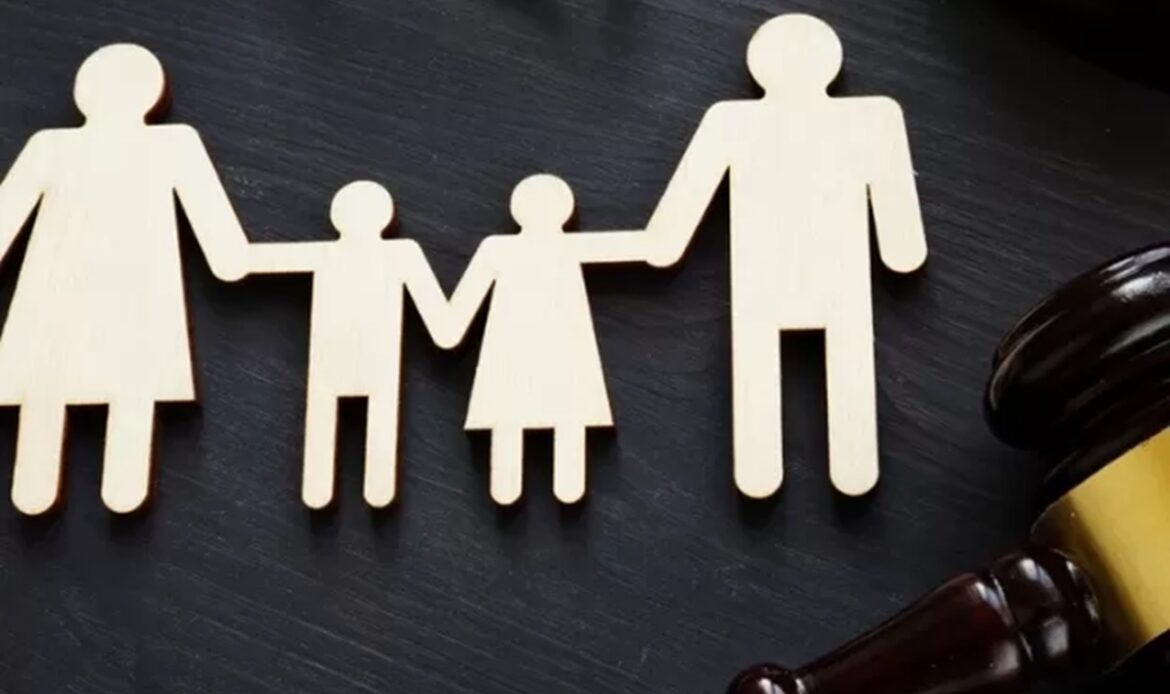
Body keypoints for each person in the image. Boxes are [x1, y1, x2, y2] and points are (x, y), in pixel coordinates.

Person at [644, 14, 927, 498]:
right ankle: (850, 470)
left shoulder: (730, 122)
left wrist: (622, 248)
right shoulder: (872, 118)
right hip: (839, 276)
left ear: (759, 66)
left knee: (757, 372)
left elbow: (670, 234)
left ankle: (763, 475)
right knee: (847, 364)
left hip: (761, 279)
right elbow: (903, 247)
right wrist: (898, 250)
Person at [0, 44, 251, 514]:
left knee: (45, 392)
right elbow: (227, 256)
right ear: (150, 93)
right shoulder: (173, 145)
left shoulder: (50, 148)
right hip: (138, 303)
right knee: (130, 394)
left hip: (53, 304)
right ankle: (119, 489)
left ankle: (37, 489)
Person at [247, 181, 452, 509]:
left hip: (334, 358)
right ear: (384, 217)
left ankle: (324, 490)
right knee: (376, 417)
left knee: (326, 416)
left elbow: (248, 260)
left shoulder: (327, 253)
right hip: (376, 359)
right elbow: (442, 324)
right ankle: (371, 490)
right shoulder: (401, 254)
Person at [443, 174, 646, 505]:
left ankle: (511, 487)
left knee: (513, 420)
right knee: (565, 419)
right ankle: (556, 487)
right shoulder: (563, 246)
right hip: (557, 356)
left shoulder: (498, 249)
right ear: (564, 209)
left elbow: (455, 319)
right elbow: (648, 246)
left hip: (511, 358)